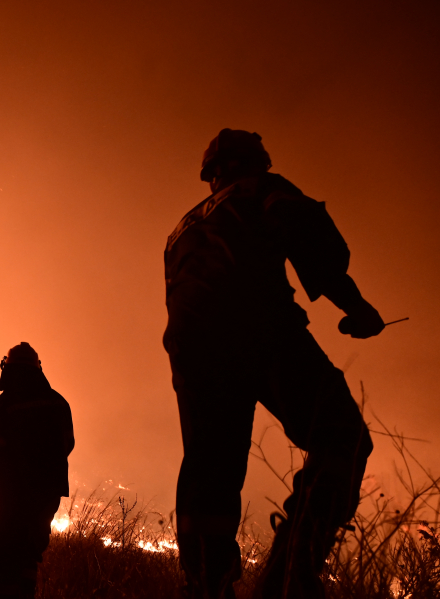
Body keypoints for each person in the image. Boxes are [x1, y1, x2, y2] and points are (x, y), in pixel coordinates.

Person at [164, 129, 384, 598]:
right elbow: (313, 241)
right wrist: (356, 307)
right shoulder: (262, 189)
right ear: (255, 163)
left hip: (192, 352)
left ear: (210, 175)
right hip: (258, 327)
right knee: (341, 436)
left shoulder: (180, 230)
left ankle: (205, 586)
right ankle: (292, 573)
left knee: (210, 471)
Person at [0, 342, 75, 599]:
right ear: (37, 369)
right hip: (46, 496)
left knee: (6, 558)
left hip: (12, 496)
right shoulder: (59, 403)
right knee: (30, 556)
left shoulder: (1, 406)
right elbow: (68, 444)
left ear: (8, 369)